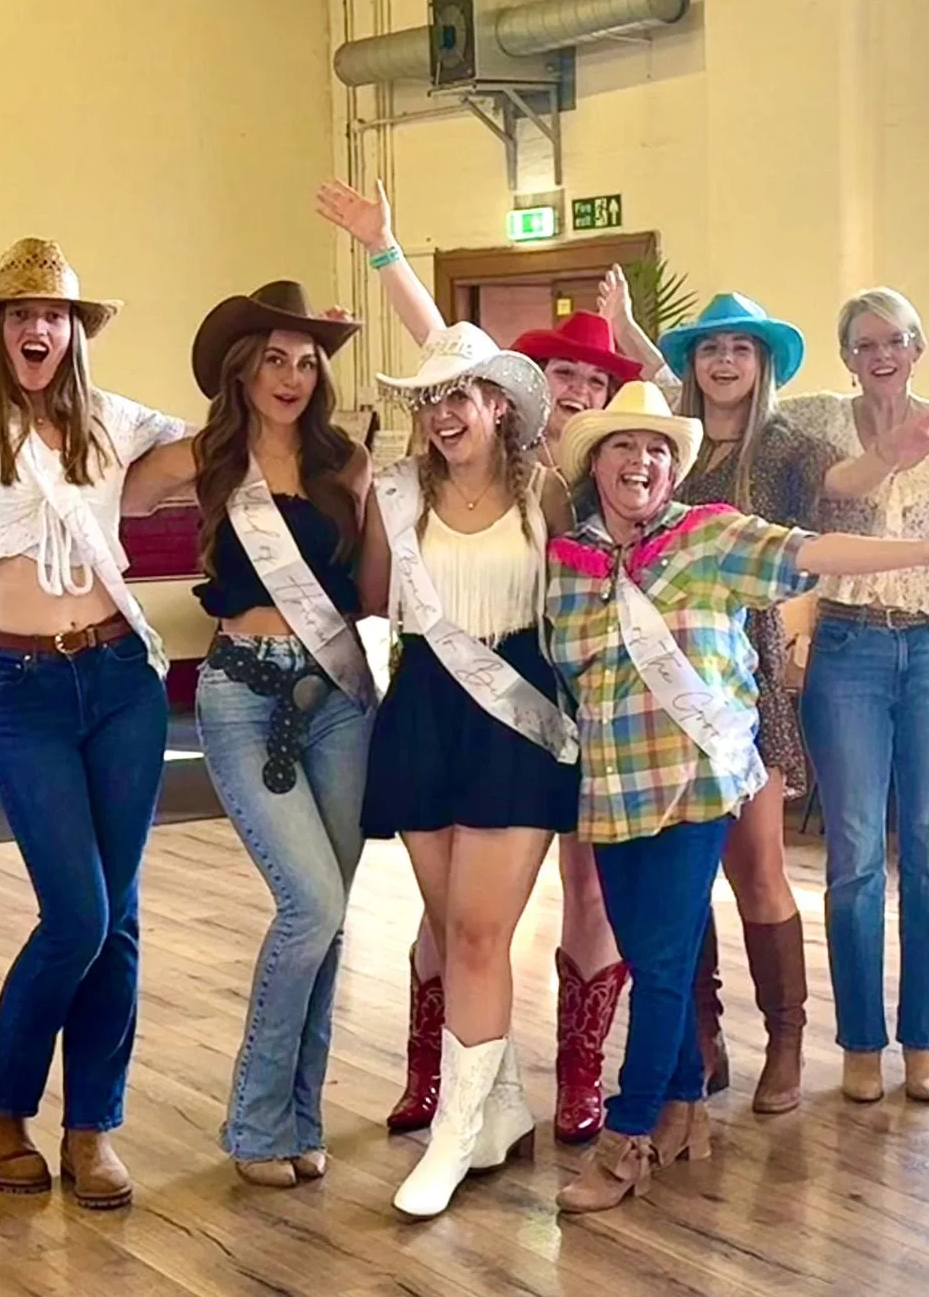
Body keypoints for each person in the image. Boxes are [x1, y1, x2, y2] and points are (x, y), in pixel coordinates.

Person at [546, 382, 929, 1212]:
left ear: (673, 467)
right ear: (597, 464)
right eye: (624, 447)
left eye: (656, 449)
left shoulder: (707, 537)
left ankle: (629, 1135)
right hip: (610, 792)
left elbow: (817, 550)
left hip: (698, 784)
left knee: (654, 964)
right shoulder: (567, 563)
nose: (640, 461)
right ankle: (687, 1105)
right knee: (669, 957)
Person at [315, 178, 638, 1146]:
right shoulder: (425, 475)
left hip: (545, 702)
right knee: (452, 916)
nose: (579, 389)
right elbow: (437, 361)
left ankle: (553, 1085)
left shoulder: (568, 477)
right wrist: (385, 252)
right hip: (431, 698)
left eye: (594, 379)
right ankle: (465, 1088)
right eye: (564, 375)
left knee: (555, 904)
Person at [128, 282, 374, 1187]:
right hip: (240, 693)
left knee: (334, 919)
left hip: (341, 697)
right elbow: (84, 496)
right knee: (311, 905)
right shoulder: (200, 459)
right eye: (275, 357)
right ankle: (256, 1125)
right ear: (242, 368)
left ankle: (301, 1119)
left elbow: (378, 583)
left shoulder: (343, 463)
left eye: (307, 362)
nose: (293, 376)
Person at [0, 238, 186, 1210]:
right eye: (21, 317)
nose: (38, 330)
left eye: (53, 316)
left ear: (75, 333)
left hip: (122, 681)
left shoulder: (111, 421)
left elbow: (213, 452)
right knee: (79, 913)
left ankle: (93, 1126)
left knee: (120, 917)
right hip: (24, 689)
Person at [356, 321, 578, 1218]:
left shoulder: (546, 494)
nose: (444, 413)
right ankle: (502, 1108)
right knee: (451, 930)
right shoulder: (398, 496)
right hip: (426, 710)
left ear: (498, 406)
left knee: (482, 930)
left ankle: (453, 1133)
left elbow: (577, 606)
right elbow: (376, 600)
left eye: (460, 396)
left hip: (517, 716)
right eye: (431, 399)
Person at [603, 282, 831, 1113]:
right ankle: (699, 1033)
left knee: (758, 867)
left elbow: (823, 524)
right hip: (658, 677)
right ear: (690, 366)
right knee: (678, 878)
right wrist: (630, 333)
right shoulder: (668, 444)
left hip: (749, 671)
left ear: (762, 362)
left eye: (740, 348)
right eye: (710, 349)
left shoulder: (792, 447)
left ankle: (787, 1040)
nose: (725, 361)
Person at [780, 288, 929, 1105]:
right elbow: (724, 393)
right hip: (850, 642)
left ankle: (924, 1039)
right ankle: (862, 1040)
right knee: (855, 855)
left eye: (896, 339)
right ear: (847, 356)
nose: (883, 353)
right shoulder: (817, 423)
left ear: (919, 345)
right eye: (865, 342)